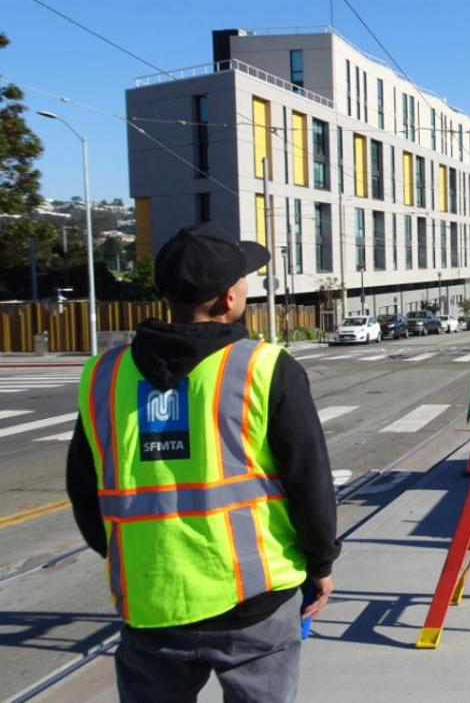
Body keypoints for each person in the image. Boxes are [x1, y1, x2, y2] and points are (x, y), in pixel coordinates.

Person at [66, 222, 339, 703]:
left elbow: (84, 491)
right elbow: (309, 482)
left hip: (152, 601)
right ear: (226, 299)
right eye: (243, 278)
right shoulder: (264, 367)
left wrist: (129, 558)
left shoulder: (102, 376)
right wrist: (321, 562)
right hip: (253, 599)